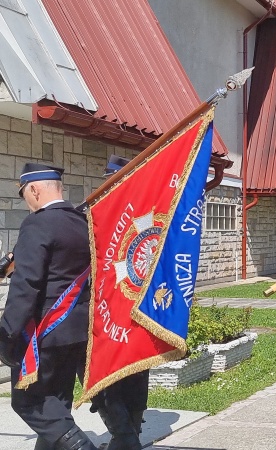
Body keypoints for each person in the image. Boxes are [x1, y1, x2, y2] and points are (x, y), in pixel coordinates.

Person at [0, 163, 98, 450]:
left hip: (46, 331)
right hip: (78, 328)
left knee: (30, 402)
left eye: (23, 195)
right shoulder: (82, 221)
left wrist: (7, 332)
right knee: (57, 403)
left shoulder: (37, 223)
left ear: (33, 189)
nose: (26, 203)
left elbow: (26, 285)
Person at [88, 155, 149, 450]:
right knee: (114, 375)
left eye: (111, 180)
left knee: (124, 374)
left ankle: (127, 437)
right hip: (111, 308)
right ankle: (126, 436)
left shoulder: (138, 215)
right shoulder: (99, 215)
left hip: (126, 307)